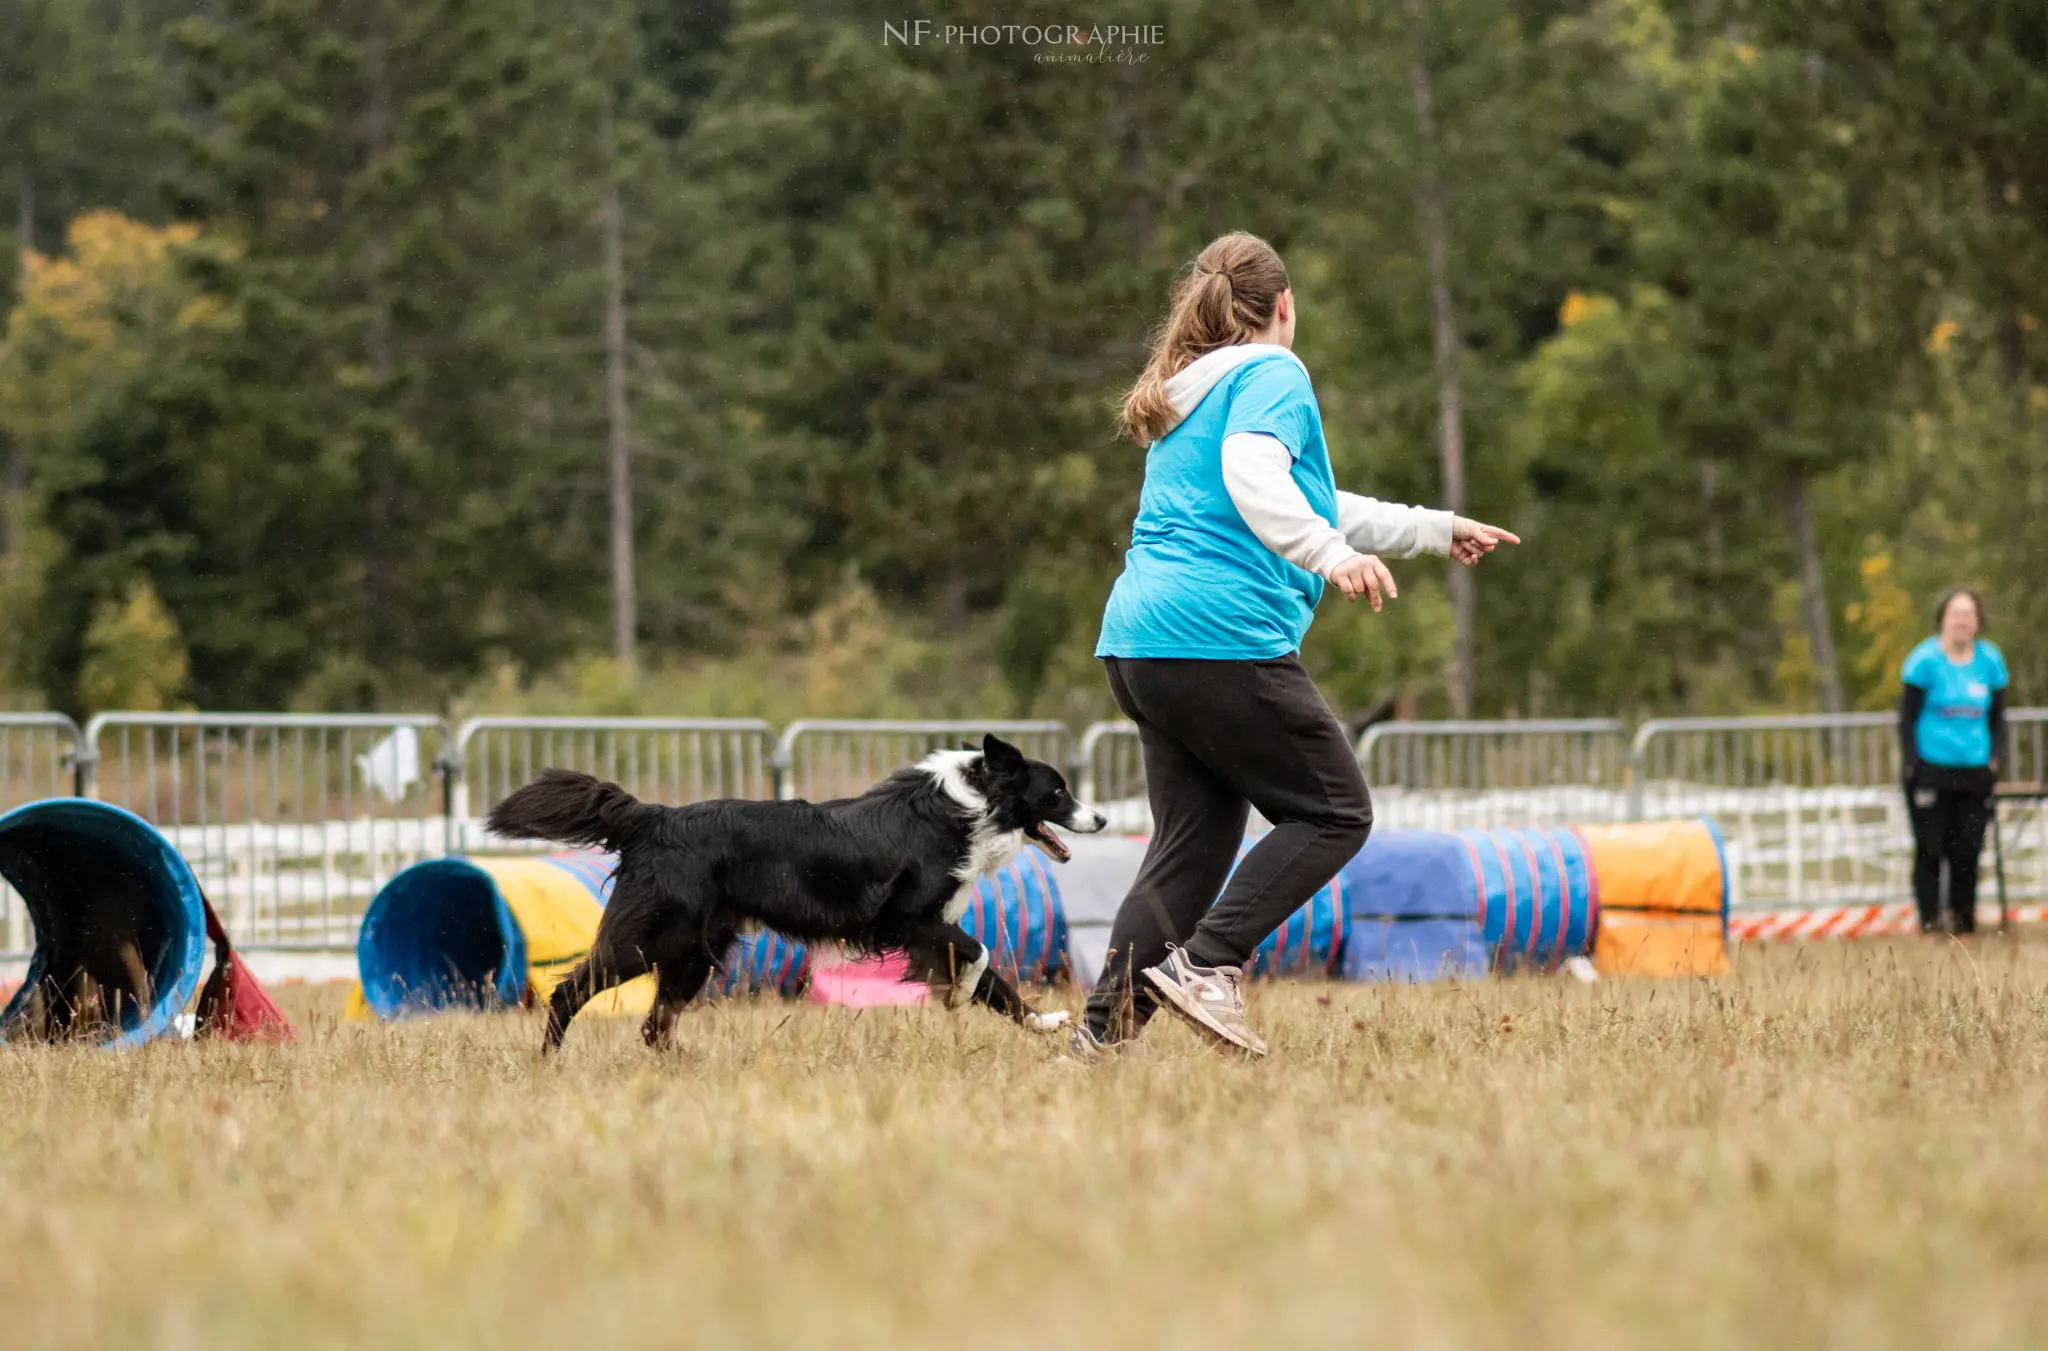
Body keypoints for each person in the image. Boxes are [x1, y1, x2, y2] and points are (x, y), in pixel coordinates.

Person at [1071, 231, 1518, 1059]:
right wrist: (1331, 557)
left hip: (1141, 643)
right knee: (1333, 809)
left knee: (1188, 854)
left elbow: (1305, 494)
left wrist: (1431, 527)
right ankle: (1209, 965)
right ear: (1284, 306)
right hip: (1219, 638)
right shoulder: (1274, 371)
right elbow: (1257, 476)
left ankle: (1099, 1040)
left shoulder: (1190, 389)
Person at [1898, 588, 2008, 935]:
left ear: (1977, 621)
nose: (1963, 621)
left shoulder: (1989, 661)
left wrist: (1995, 758)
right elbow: (1906, 716)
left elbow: (1999, 716)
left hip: (1974, 769)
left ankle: (1964, 920)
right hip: (1931, 767)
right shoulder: (1924, 661)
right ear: (1943, 619)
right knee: (1932, 848)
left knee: (1968, 850)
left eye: (1969, 614)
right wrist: (1911, 762)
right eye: (1956, 614)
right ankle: (1931, 919)